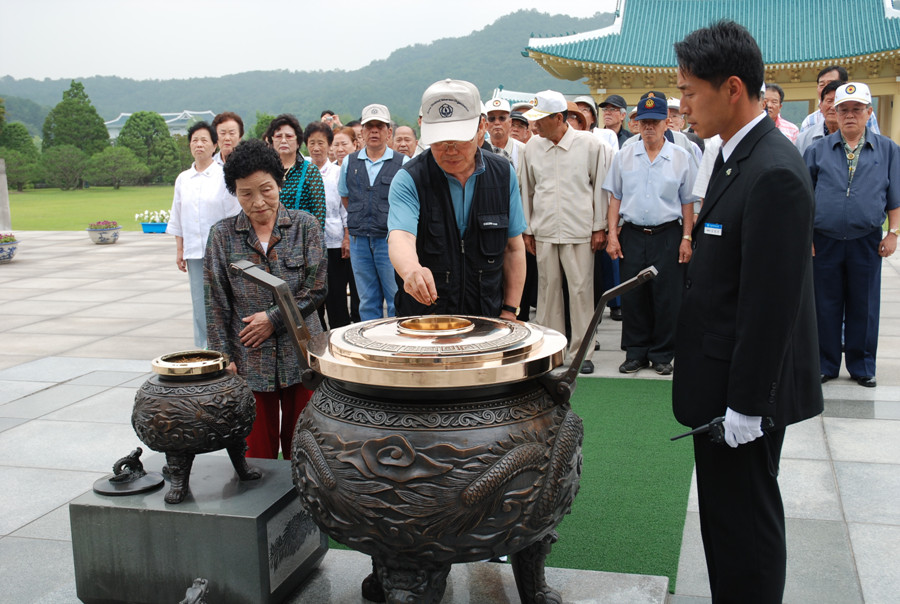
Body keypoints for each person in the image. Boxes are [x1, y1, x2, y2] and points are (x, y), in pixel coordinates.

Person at [673, 21, 823, 603]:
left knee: (748, 528)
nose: (683, 106)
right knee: (725, 523)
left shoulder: (774, 171)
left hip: (742, 392)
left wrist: (747, 406)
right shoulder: (734, 155)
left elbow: (771, 305)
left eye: (690, 92)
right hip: (719, 377)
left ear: (731, 88)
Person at [205, 139, 326, 460]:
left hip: (301, 354)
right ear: (234, 192)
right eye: (246, 194)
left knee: (305, 445)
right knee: (255, 453)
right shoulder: (221, 236)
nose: (258, 202)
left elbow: (316, 290)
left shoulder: (305, 226)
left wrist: (272, 319)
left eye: (266, 190)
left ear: (279, 183)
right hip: (249, 358)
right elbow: (216, 302)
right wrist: (223, 357)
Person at [387, 79, 526, 318]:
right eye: (440, 141)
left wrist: (510, 310)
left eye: (459, 140)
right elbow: (401, 237)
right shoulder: (410, 178)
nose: (450, 150)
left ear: (481, 127)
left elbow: (513, 248)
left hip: (486, 315)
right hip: (426, 318)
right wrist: (411, 270)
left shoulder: (503, 174)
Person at [804, 82, 900, 388]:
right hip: (824, 240)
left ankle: (862, 366)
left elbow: (895, 197)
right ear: (834, 112)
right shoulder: (816, 150)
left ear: (869, 112)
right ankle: (826, 363)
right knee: (825, 304)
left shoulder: (888, 149)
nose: (849, 115)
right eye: (843, 109)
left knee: (865, 305)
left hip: (867, 239)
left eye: (857, 109)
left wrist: (893, 233)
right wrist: (806, 238)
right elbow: (803, 198)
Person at [519, 90, 614, 374]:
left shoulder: (590, 145)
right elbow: (527, 190)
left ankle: (582, 353)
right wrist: (527, 229)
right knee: (547, 294)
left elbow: (600, 187)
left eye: (540, 119)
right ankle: (552, 351)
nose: (534, 125)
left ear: (558, 118)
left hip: (579, 230)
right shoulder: (532, 147)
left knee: (581, 292)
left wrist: (599, 227)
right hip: (545, 230)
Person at [603, 96, 697, 375]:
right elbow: (615, 198)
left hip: (668, 234)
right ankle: (636, 352)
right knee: (633, 294)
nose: (648, 128)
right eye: (644, 122)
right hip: (633, 234)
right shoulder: (625, 155)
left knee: (667, 296)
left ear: (666, 122)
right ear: (636, 124)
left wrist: (687, 238)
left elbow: (688, 202)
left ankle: (662, 354)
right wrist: (612, 235)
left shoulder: (681, 157)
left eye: (654, 122)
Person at [167, 121, 241, 349]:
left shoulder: (223, 175)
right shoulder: (183, 179)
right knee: (199, 303)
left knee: (222, 300)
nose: (199, 144)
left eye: (204, 140)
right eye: (194, 140)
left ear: (214, 145)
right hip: (194, 252)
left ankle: (228, 347)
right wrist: (180, 249)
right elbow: (177, 215)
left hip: (221, 252)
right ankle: (205, 348)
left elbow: (234, 214)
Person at [339, 104, 407, 320]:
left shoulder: (403, 163)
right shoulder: (349, 162)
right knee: (367, 300)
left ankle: (397, 337)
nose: (374, 131)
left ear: (389, 132)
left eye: (380, 126)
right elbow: (345, 196)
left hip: (389, 241)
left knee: (395, 296)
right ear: (362, 131)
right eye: (369, 126)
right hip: (359, 241)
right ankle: (371, 338)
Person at [306, 121, 353, 329]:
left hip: (333, 243)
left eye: (321, 143)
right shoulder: (302, 173)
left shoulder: (337, 173)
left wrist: (347, 236)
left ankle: (339, 336)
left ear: (329, 145)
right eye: (312, 143)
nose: (316, 148)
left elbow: (345, 208)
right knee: (312, 298)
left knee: (336, 296)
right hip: (308, 246)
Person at [263, 114, 327, 230]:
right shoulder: (265, 171)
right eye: (278, 136)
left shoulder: (310, 171)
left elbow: (319, 214)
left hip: (302, 236)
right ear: (272, 141)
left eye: (289, 136)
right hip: (269, 235)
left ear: (298, 142)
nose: (283, 140)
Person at [800, 65, 880, 134]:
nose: (826, 87)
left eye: (831, 83)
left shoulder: (865, 114)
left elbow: (875, 143)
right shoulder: (810, 121)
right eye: (822, 84)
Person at [795, 80, 840, 155]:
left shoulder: (857, 137)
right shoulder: (803, 139)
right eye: (829, 101)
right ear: (821, 106)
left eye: (837, 102)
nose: (832, 107)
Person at [485, 98, 525, 170]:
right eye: (492, 119)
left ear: (510, 122)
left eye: (502, 118)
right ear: (485, 124)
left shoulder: (523, 150)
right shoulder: (479, 150)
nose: (497, 122)